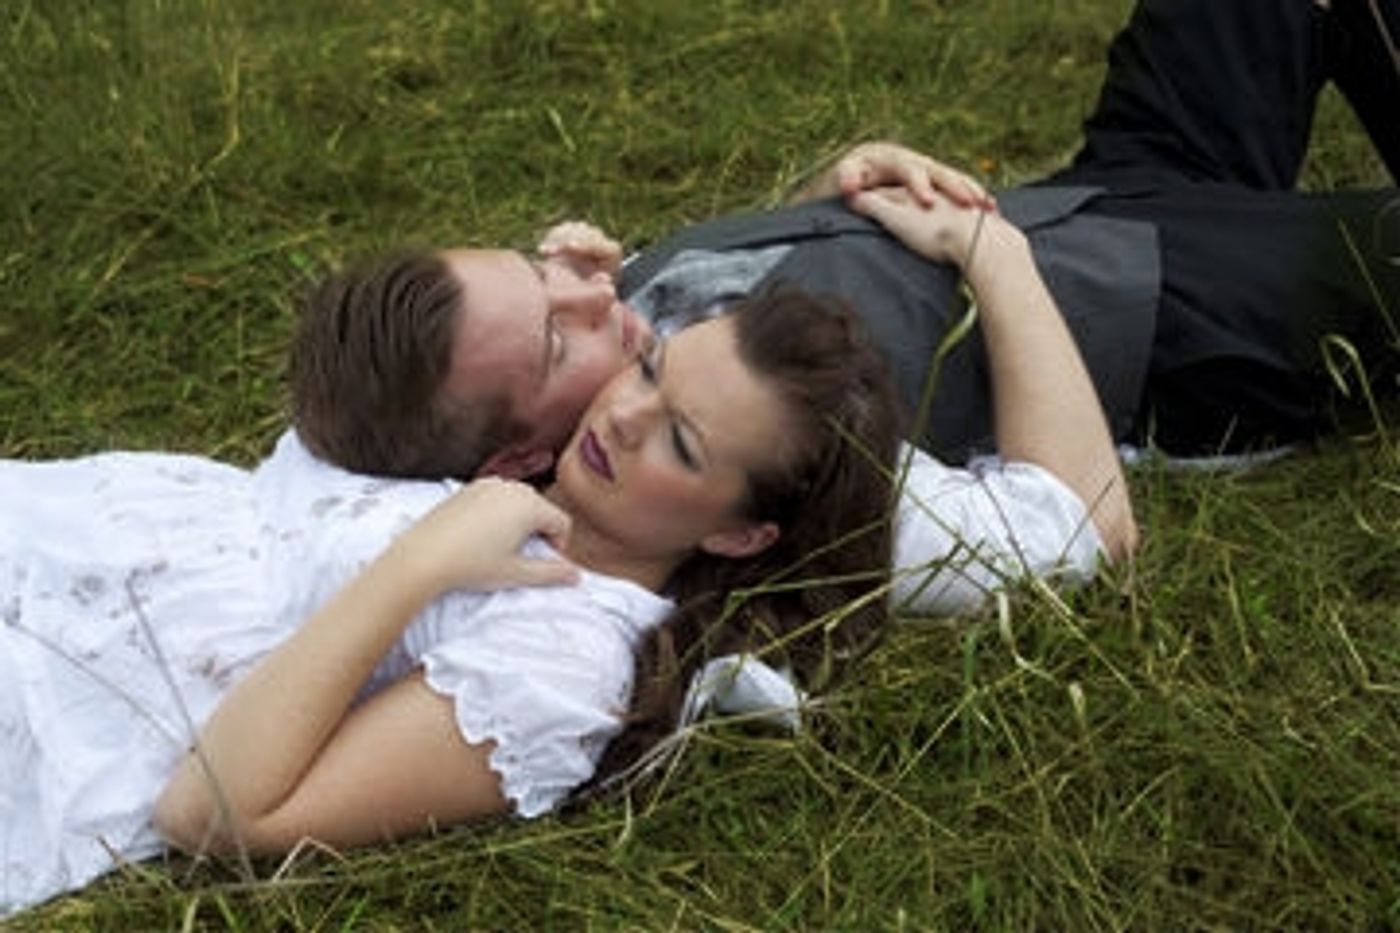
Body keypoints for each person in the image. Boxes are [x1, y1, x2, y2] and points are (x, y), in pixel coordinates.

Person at [288, 0, 1397, 614]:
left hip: (1103, 193)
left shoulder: (633, 342)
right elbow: (1086, 538)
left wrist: (829, 200)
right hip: (1172, 323)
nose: (587, 285)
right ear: (514, 462)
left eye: (545, 267)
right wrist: (989, 256)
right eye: (551, 331)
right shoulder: (727, 471)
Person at [0, 289, 900, 918]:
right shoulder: (552, 460)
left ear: (739, 536)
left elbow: (218, 813)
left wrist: (416, 565)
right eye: (652, 370)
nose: (624, 414)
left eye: (682, 442)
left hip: (53, 687)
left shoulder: (566, 666)